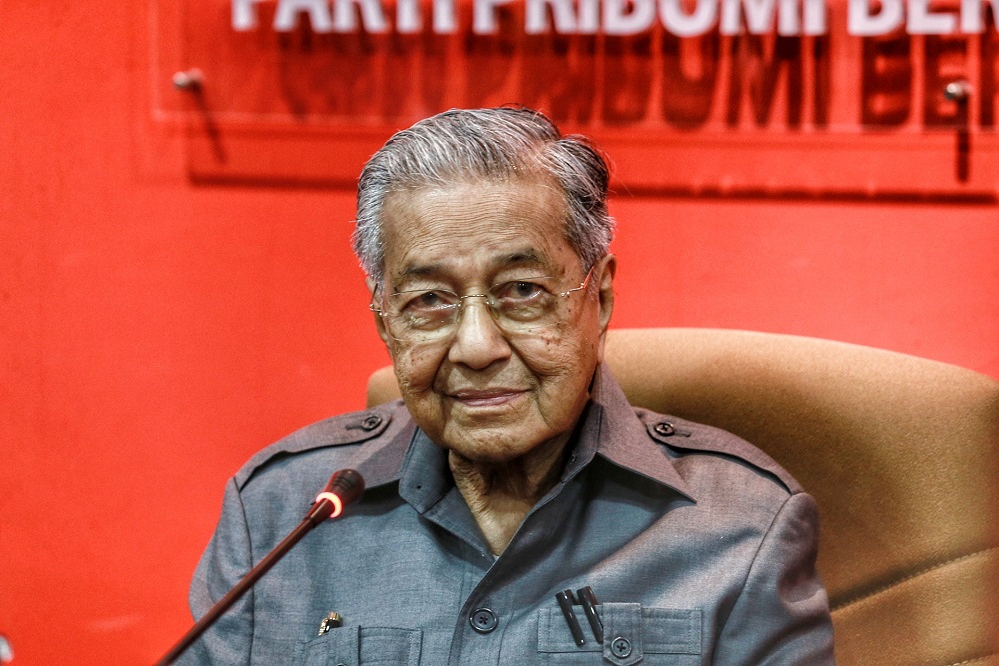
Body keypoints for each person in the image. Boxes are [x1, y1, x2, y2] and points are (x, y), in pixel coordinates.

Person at [184, 107, 835, 664]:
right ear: (384, 316)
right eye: (430, 300)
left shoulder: (741, 527)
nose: (475, 347)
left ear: (598, 298)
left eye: (521, 292)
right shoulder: (279, 516)